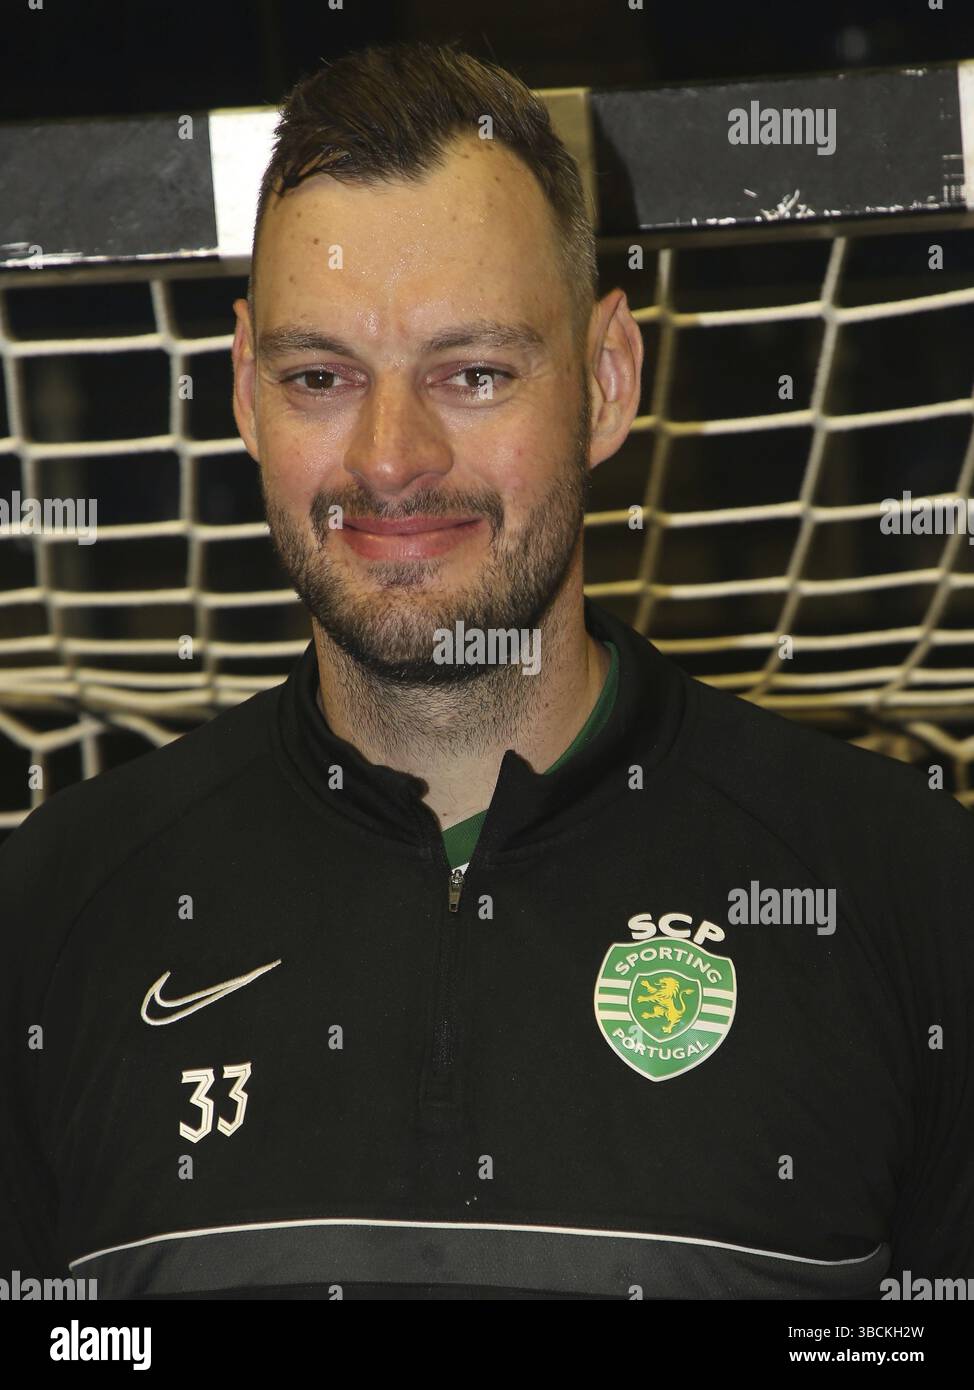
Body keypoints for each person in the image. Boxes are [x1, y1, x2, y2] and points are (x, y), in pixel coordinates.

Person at [1, 38, 971, 1301]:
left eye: (471, 373)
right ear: (244, 392)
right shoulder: (50, 920)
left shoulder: (908, 900)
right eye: (320, 376)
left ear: (607, 380)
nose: (391, 458)